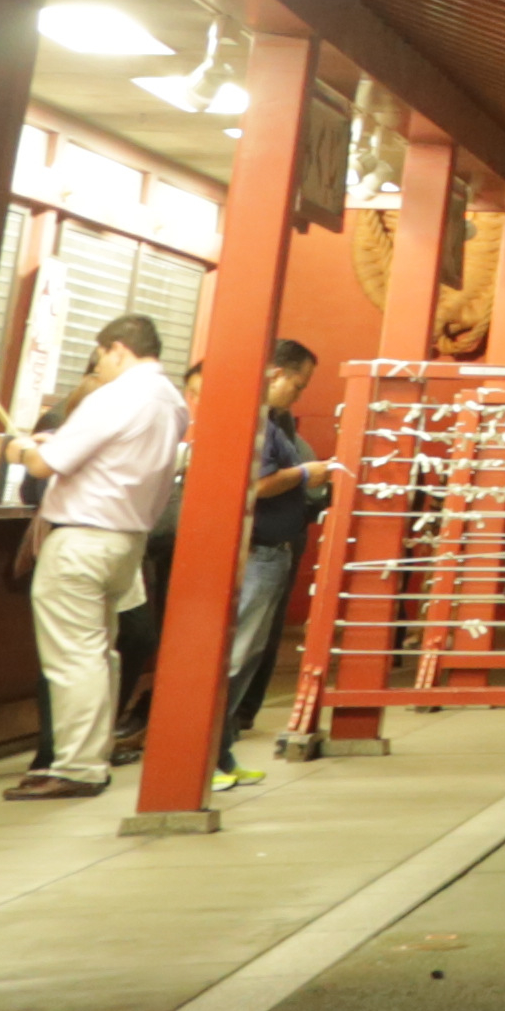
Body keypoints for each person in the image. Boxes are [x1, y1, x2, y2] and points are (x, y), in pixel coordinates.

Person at [0, 313, 187, 803]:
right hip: (125, 542)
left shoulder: (116, 395)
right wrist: (53, 443)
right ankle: (91, 760)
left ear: (116, 348)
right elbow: (111, 457)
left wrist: (18, 448)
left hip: (82, 540)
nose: (97, 366)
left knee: (73, 657)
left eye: (100, 356)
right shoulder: (171, 400)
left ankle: (76, 767)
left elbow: (42, 465)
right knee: (100, 654)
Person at [212, 338, 343, 788]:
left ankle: (222, 755)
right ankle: (206, 759)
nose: (299, 396)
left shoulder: (271, 424)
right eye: (299, 386)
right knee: (233, 658)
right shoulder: (256, 424)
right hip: (259, 554)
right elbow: (255, 484)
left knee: (246, 659)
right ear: (277, 375)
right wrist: (308, 473)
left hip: (273, 554)